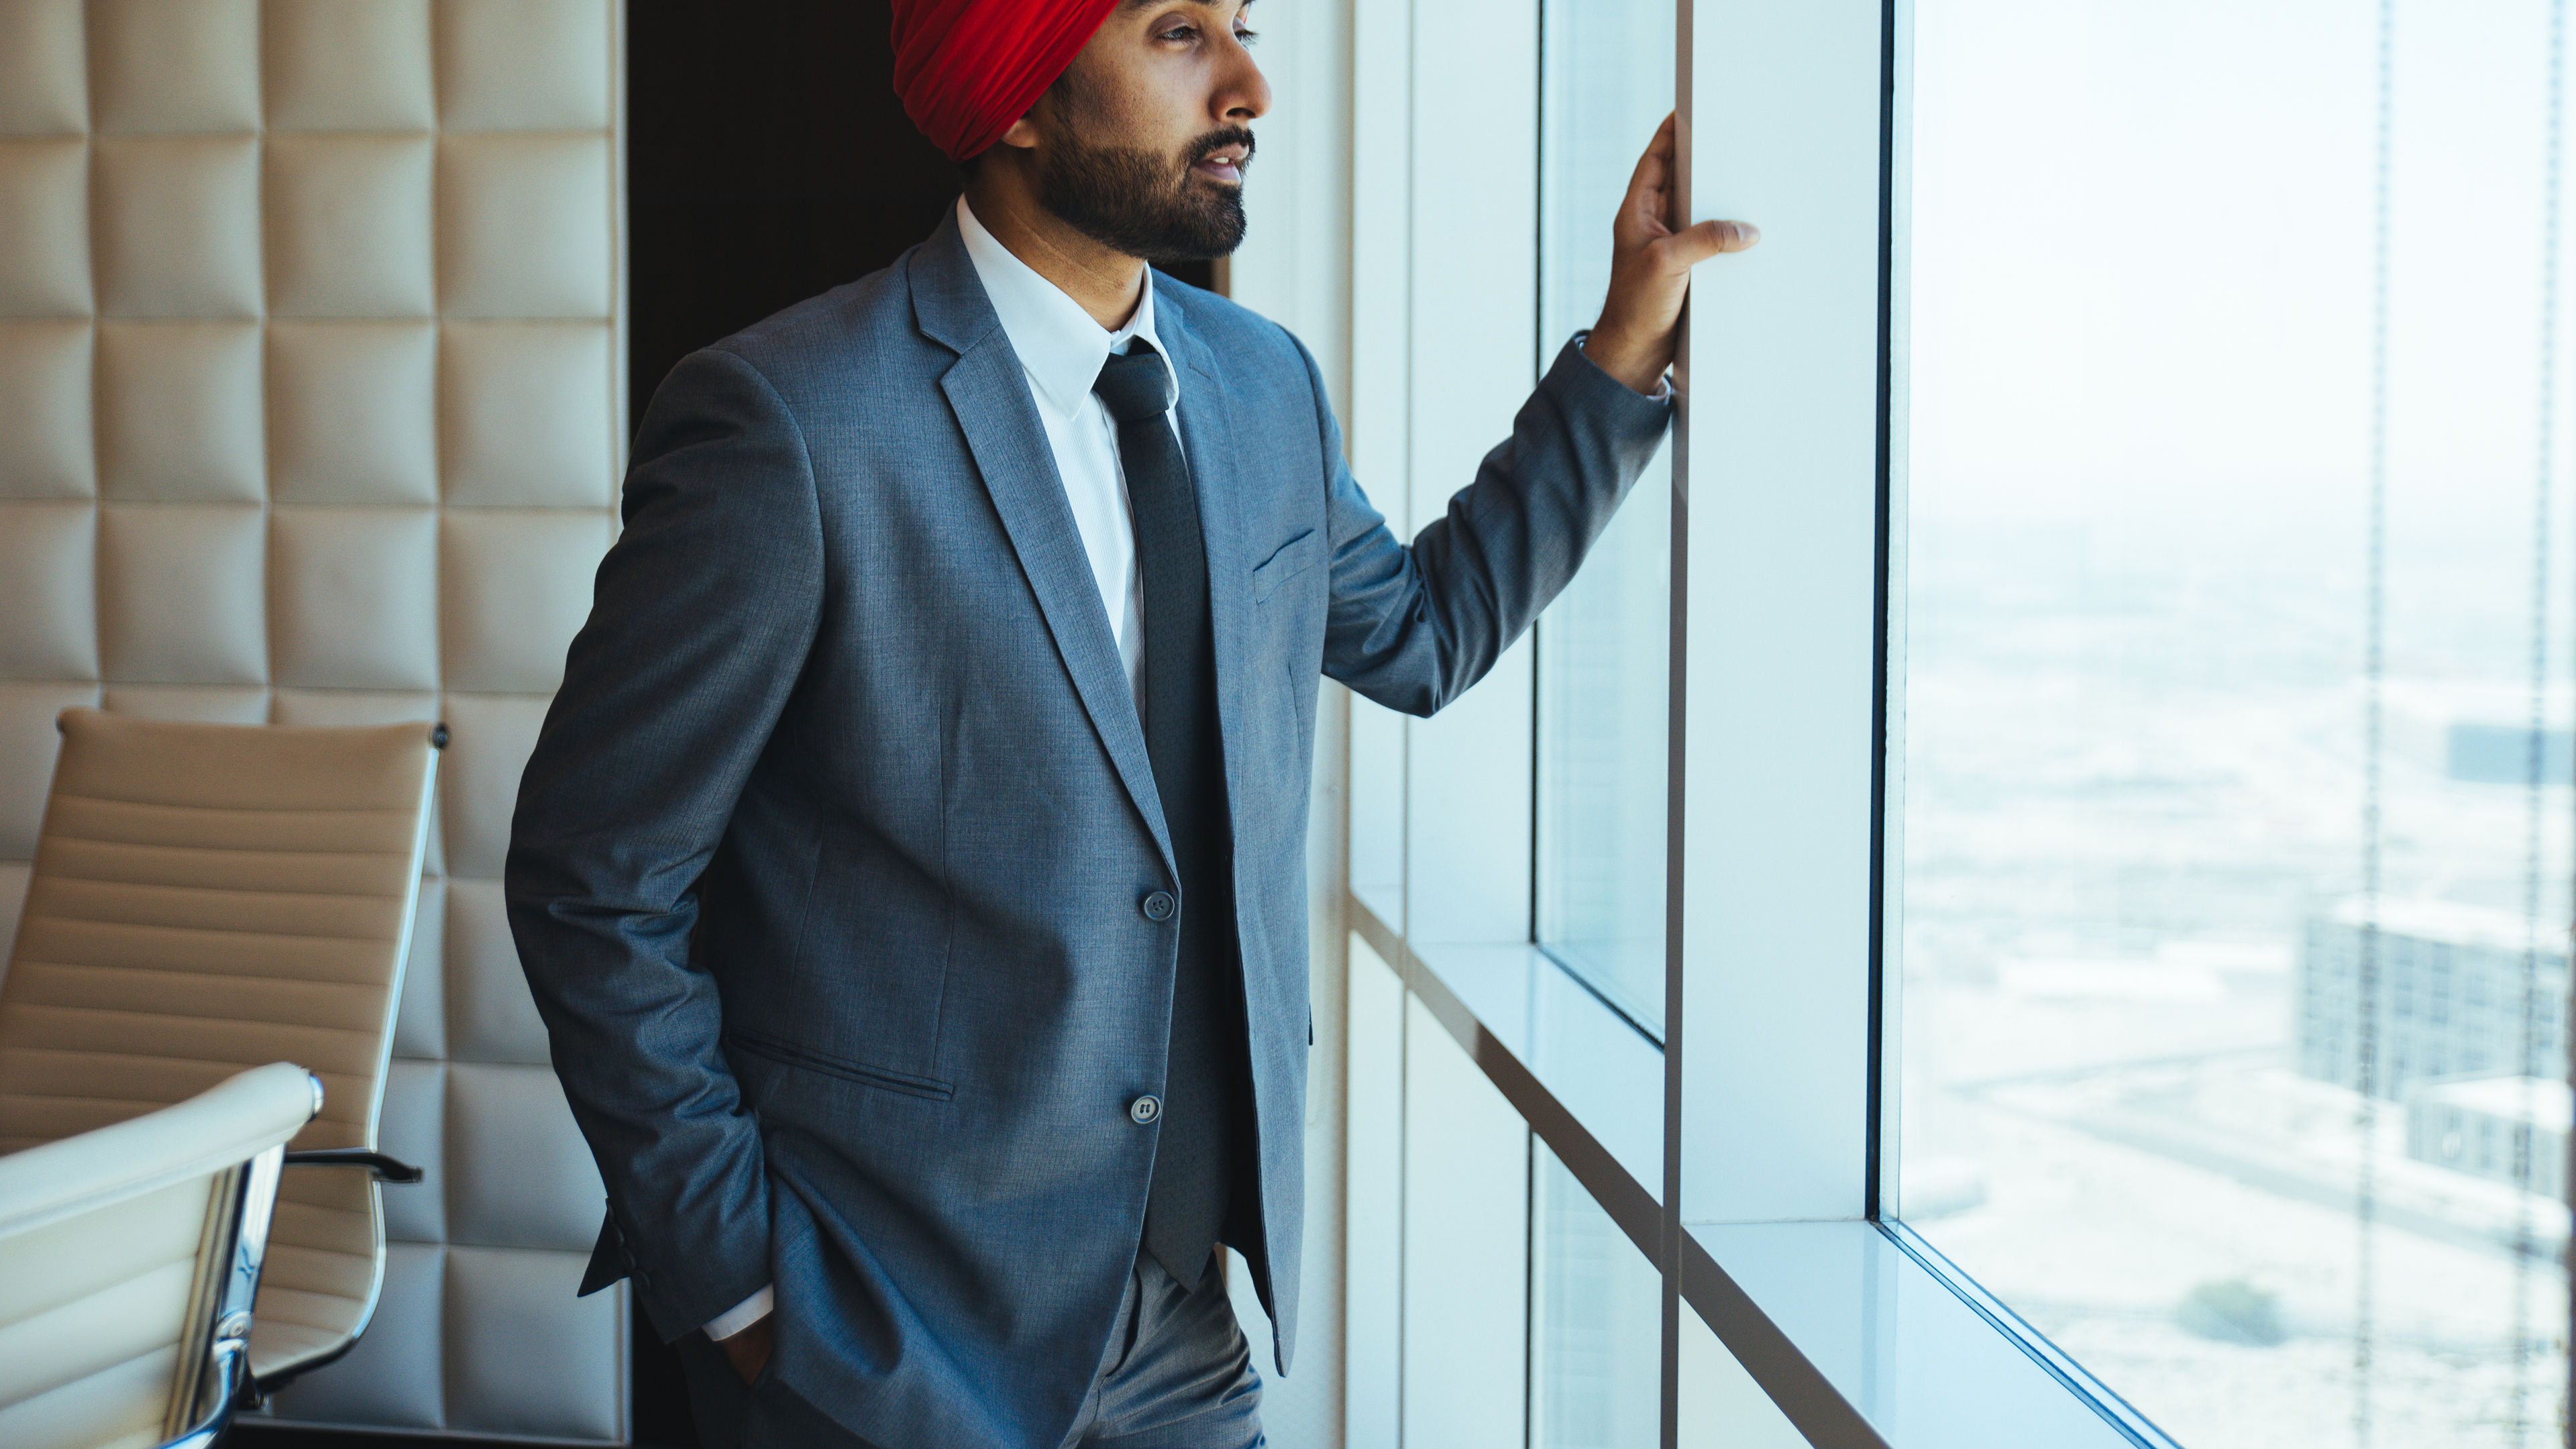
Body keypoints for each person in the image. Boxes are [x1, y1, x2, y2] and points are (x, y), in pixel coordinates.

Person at [504, 0, 1756, 1442]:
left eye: (1242, 24)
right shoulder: (787, 422)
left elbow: (1421, 635)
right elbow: (595, 876)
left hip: (1177, 1319)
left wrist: (1621, 344)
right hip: (872, 1324)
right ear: (1021, 98)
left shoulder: (1262, 385)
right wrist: (739, 1286)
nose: (1251, 85)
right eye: (1179, 34)